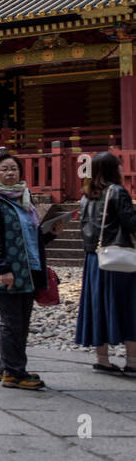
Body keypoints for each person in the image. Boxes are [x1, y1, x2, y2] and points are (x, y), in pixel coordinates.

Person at [0, 152, 62, 390]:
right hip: (8, 273)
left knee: (21, 322)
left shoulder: (24, 200)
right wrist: (3, 270)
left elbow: (30, 239)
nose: (10, 173)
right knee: (12, 322)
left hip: (28, 270)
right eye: (4, 169)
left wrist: (50, 234)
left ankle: (5, 367)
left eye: (14, 169)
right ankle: (15, 373)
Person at [75, 151, 136, 373]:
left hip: (94, 259)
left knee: (98, 305)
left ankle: (102, 359)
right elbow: (130, 224)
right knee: (128, 305)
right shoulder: (117, 191)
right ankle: (132, 360)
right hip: (117, 258)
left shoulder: (85, 196)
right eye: (118, 165)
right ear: (112, 169)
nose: (122, 169)